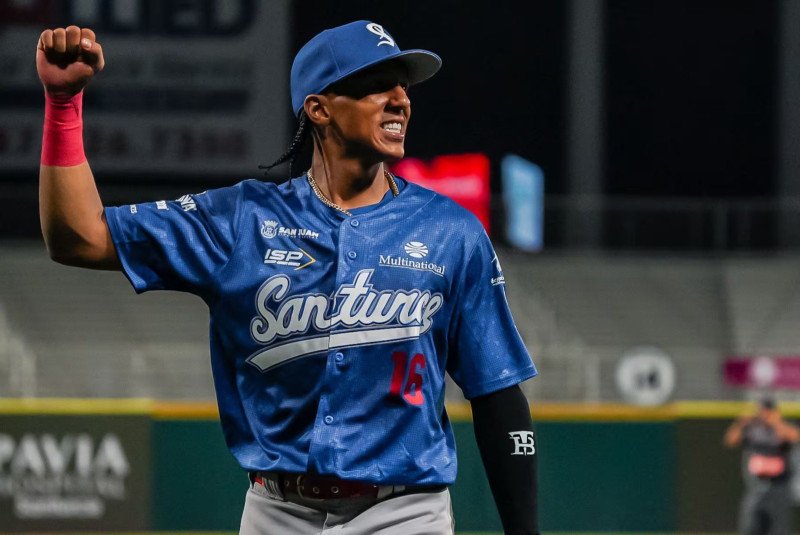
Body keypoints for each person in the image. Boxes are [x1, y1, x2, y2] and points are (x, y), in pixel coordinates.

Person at [36, 20, 539, 534]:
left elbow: (497, 394)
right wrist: (63, 105)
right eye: (376, 85)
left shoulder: (451, 232)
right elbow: (77, 237)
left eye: (403, 86)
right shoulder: (241, 220)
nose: (400, 100)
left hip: (404, 511)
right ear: (318, 108)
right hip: (276, 511)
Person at [724, 397, 800, 535]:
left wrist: (775, 422)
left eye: (768, 411)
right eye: (762, 411)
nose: (764, 415)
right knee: (751, 527)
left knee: (778, 529)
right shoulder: (752, 429)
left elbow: (795, 436)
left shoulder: (780, 428)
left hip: (778, 488)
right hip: (755, 487)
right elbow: (730, 440)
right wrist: (741, 423)